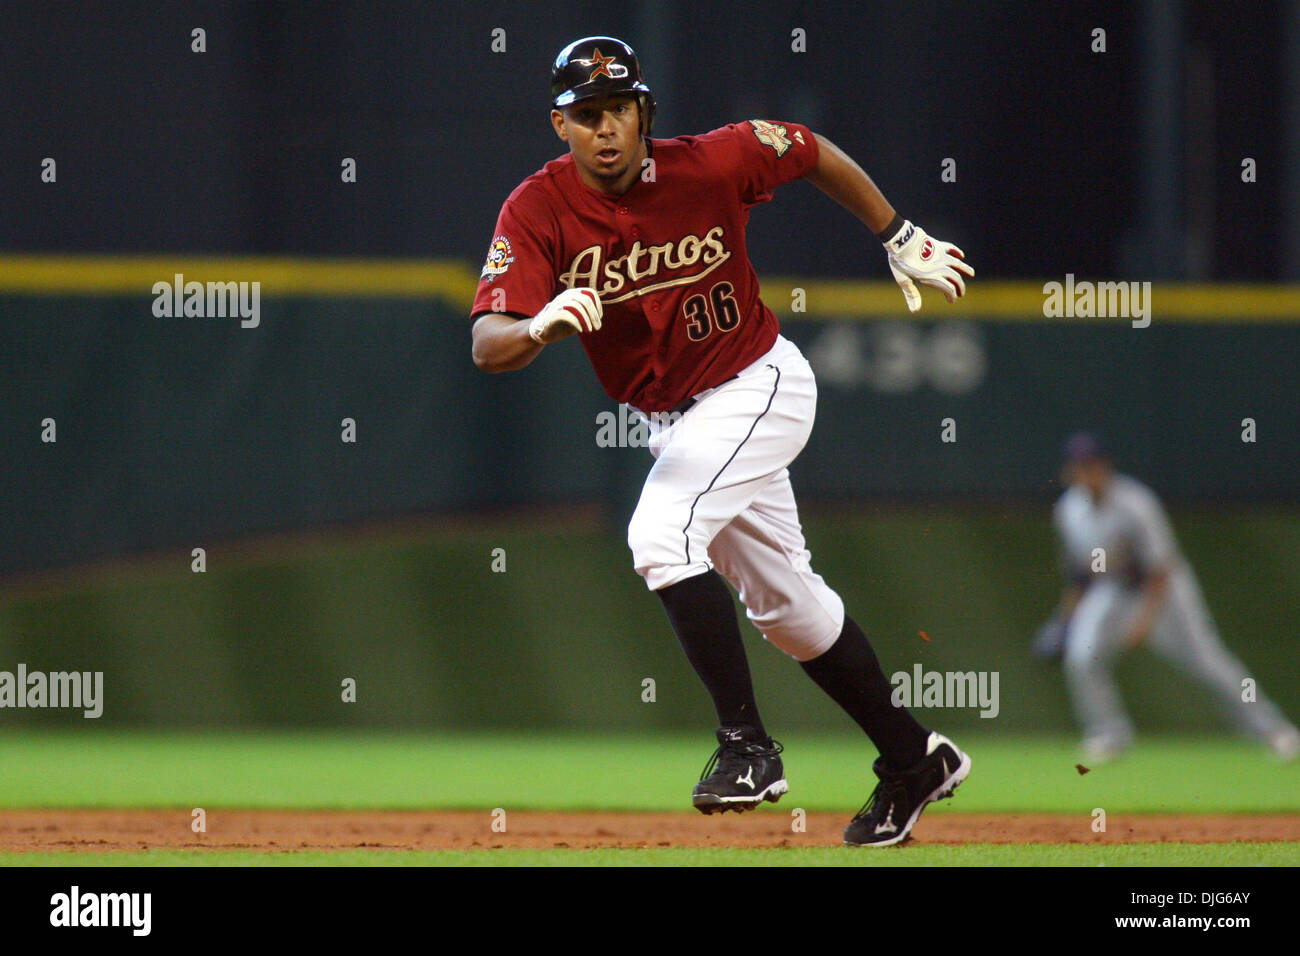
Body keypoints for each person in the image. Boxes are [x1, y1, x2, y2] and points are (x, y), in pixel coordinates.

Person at [469, 36, 975, 845]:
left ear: (645, 114)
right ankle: (914, 758)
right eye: (587, 114)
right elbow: (487, 344)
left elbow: (808, 149)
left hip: (758, 385)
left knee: (659, 535)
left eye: (621, 110)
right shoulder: (536, 209)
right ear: (559, 125)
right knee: (792, 615)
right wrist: (535, 324)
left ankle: (747, 746)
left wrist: (897, 231)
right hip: (672, 423)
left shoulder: (713, 162)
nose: (606, 129)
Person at [1038, 432, 1300, 762]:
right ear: (1070, 472)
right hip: (1113, 591)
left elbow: (1160, 569)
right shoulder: (1068, 511)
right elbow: (1079, 577)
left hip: (1165, 592)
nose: (1087, 471)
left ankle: (1274, 730)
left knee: (1209, 661)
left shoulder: (1136, 503)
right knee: (1081, 655)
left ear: (1105, 466)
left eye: (1092, 464)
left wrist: (1143, 622)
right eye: (1080, 466)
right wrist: (1064, 621)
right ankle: (1108, 734)